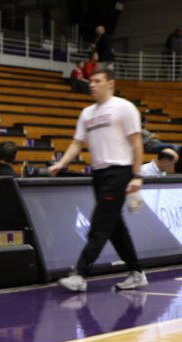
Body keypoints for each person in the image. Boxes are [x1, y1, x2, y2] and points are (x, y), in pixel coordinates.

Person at [48, 68, 147, 292]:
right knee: (114, 226)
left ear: (110, 83)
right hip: (99, 174)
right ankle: (136, 271)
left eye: (97, 81)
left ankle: (80, 274)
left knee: (100, 223)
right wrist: (61, 164)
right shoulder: (87, 113)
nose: (91, 85)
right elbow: (77, 143)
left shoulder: (124, 107)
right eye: (90, 81)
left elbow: (136, 143)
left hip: (119, 171)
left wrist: (137, 176)